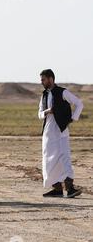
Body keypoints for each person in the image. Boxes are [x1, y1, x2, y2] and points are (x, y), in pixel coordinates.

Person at [38, 69, 83, 198]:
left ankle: (70, 188)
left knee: (64, 158)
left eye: (43, 79)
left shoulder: (62, 92)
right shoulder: (44, 95)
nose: (41, 82)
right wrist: (48, 111)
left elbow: (79, 104)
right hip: (48, 132)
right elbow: (40, 114)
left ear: (51, 79)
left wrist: (72, 119)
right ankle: (57, 189)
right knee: (49, 160)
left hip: (61, 131)